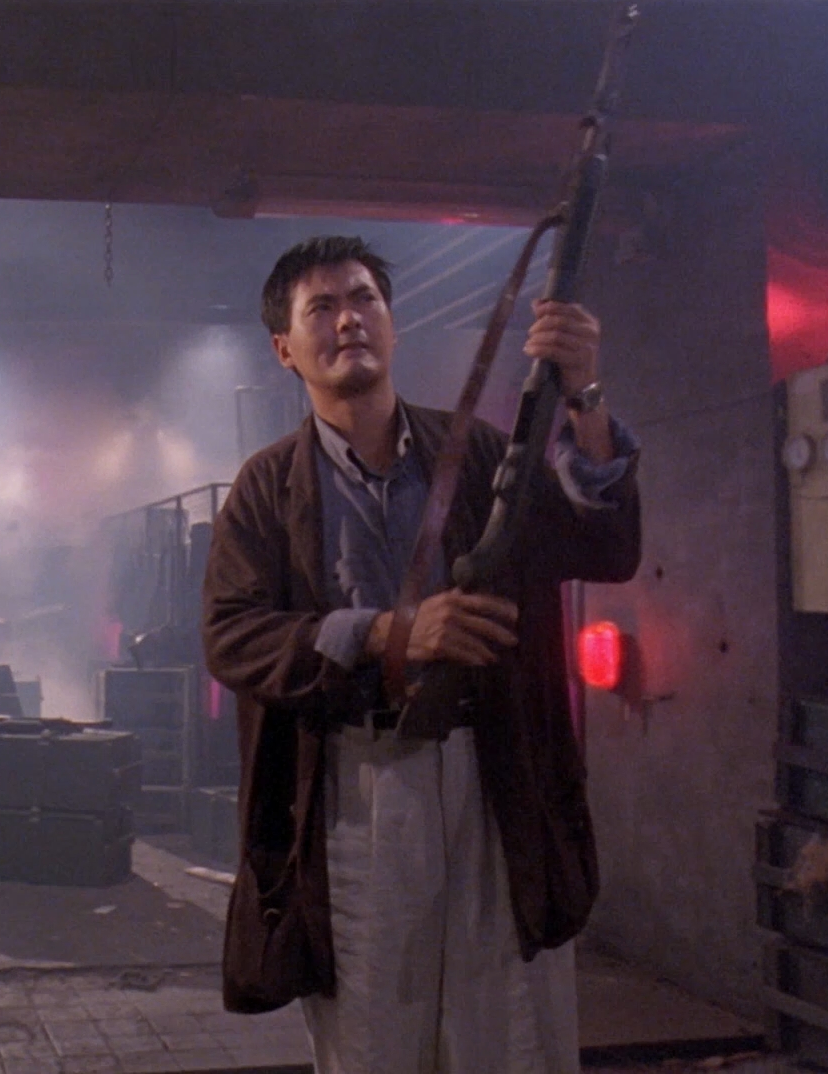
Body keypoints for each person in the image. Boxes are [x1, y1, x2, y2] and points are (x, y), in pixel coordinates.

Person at [202, 235, 642, 1072]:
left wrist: (584, 395)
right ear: (284, 349)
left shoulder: (479, 454)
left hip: (495, 775)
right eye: (321, 308)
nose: (348, 320)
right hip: (355, 785)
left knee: (512, 1040)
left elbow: (604, 546)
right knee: (376, 1042)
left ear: (392, 324)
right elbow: (234, 635)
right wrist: (387, 634)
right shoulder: (267, 487)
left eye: (364, 299)